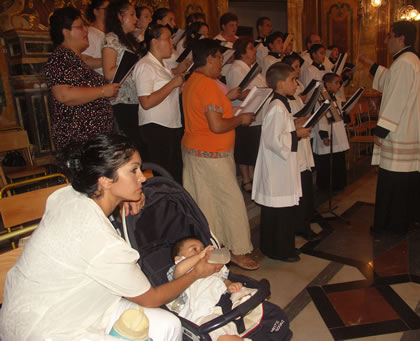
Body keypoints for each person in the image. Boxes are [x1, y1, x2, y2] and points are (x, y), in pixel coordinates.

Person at [0, 134, 223, 340]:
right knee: (158, 318)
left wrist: (121, 198)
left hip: (77, 302)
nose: (142, 179)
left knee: (168, 325)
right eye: (133, 171)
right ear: (105, 180)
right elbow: (152, 298)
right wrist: (196, 274)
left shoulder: (68, 195)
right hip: (48, 328)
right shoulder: (102, 243)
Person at [181, 38, 259, 271]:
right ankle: (238, 250)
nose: (222, 63)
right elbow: (216, 125)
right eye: (219, 57)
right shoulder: (206, 84)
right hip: (211, 154)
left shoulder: (193, 81)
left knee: (206, 203)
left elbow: (208, 115)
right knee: (231, 201)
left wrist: (231, 111)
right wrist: (240, 119)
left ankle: (212, 248)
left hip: (196, 151)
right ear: (209, 57)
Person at [359, 21, 420, 236]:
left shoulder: (404, 63)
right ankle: (413, 217)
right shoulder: (410, 60)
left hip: (399, 132)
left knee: (394, 179)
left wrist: (380, 131)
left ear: (400, 38)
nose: (385, 40)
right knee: (408, 179)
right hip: (407, 129)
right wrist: (370, 64)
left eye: (388, 36)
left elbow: (396, 98)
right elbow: (389, 81)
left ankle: (391, 225)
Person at [252, 63, 312, 262]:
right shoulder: (277, 107)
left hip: (281, 168)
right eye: (292, 80)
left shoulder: (281, 104)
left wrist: (293, 125)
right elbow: (273, 140)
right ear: (280, 84)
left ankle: (275, 248)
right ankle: (280, 250)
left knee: (279, 212)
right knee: (280, 213)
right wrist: (297, 134)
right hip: (278, 170)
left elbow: (278, 132)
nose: (296, 83)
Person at [44, 6, 119, 155]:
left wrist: (104, 94)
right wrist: (102, 91)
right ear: (65, 32)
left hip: (92, 141)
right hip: (79, 141)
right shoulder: (61, 58)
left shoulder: (75, 59)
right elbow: (64, 95)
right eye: (80, 27)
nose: (86, 31)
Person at [167, 237, 252, 341]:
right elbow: (179, 271)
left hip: (224, 302)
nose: (202, 251)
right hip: (204, 313)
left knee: (246, 292)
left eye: (202, 248)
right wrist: (199, 256)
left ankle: (246, 306)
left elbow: (222, 279)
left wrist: (230, 284)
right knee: (220, 332)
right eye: (194, 249)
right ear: (179, 258)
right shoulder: (183, 269)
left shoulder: (212, 265)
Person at [133, 24, 185, 183]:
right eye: (168, 38)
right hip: (156, 127)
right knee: (164, 176)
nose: (172, 43)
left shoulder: (164, 66)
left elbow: (168, 95)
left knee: (175, 174)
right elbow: (146, 101)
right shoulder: (145, 65)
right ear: (154, 42)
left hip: (171, 126)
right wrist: (172, 84)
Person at [282, 55, 319, 241]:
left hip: (302, 146)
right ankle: (300, 226)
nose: (298, 72)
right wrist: (297, 123)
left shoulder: (295, 95)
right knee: (299, 190)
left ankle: (307, 220)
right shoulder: (280, 102)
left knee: (306, 187)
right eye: (294, 69)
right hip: (293, 149)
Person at [226, 37, 267, 193]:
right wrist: (260, 91)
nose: (254, 50)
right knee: (245, 149)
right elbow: (239, 93)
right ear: (242, 52)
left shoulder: (252, 68)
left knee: (253, 148)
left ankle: (252, 176)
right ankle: (245, 179)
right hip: (242, 113)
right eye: (251, 48)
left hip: (256, 114)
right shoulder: (236, 68)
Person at [102, 0, 142, 151]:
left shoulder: (132, 40)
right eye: (131, 14)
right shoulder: (111, 39)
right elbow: (108, 72)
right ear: (120, 16)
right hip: (121, 101)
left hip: (135, 99)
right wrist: (130, 65)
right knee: (129, 145)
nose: (135, 19)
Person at [312, 73, 349, 192]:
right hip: (327, 132)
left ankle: (338, 184)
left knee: (338, 159)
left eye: (339, 83)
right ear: (327, 84)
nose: (339, 85)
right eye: (336, 82)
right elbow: (320, 118)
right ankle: (326, 186)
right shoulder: (321, 98)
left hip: (337, 131)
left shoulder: (335, 97)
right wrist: (324, 135)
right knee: (327, 161)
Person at [82, 0, 109, 75]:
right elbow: (85, 61)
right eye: (107, 9)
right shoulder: (90, 34)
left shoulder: (111, 33)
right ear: (96, 11)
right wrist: (111, 60)